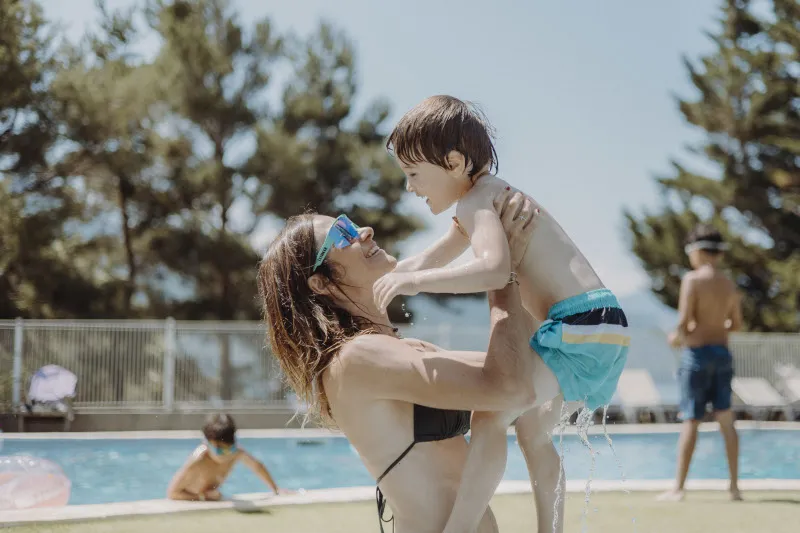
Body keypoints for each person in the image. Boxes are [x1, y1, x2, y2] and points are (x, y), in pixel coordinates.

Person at [373, 94, 630, 533]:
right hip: (597, 323)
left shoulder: (475, 202)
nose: (410, 188)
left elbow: (493, 269)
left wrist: (413, 285)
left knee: (490, 413)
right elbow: (428, 258)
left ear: (454, 162)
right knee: (532, 430)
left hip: (578, 323)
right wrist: (392, 276)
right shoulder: (484, 198)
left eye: (414, 174)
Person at [258, 199, 547, 533]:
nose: (364, 232)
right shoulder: (358, 358)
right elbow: (512, 388)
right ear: (321, 283)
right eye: (342, 234)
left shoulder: (398, 350)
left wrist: (513, 263)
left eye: (351, 224)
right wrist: (503, 272)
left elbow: (525, 369)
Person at [658, 225, 743, 502]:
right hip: (722, 354)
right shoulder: (729, 284)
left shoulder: (692, 280)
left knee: (691, 420)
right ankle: (733, 489)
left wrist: (676, 337)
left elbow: (683, 322)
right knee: (726, 420)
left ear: (696, 251)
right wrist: (717, 327)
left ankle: (678, 489)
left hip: (696, 357)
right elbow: (737, 324)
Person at [167, 413, 287, 501]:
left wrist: (275, 489)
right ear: (206, 443)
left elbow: (257, 467)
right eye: (219, 450)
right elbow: (173, 493)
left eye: (229, 449)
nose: (225, 455)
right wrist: (202, 497)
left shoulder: (236, 453)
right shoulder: (199, 459)